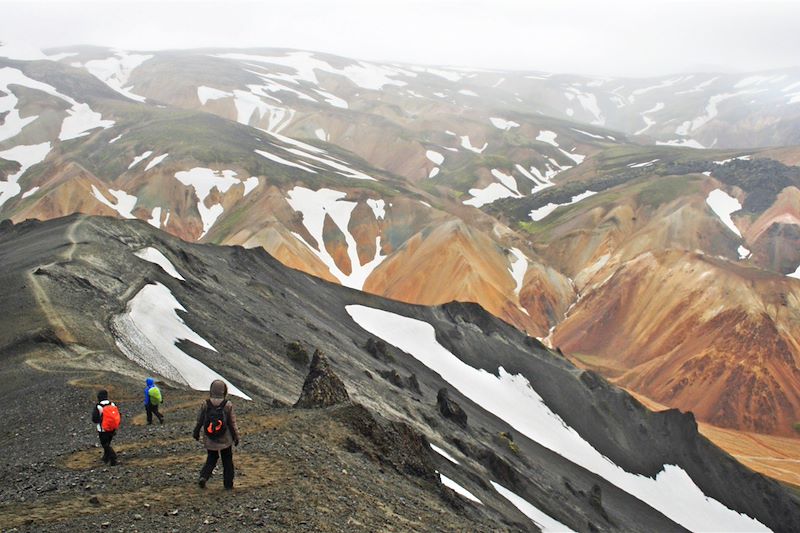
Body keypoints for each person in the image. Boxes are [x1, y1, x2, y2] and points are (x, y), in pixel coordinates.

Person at [193, 379, 240, 490]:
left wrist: (196, 431)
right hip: (225, 438)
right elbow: (232, 423)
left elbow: (200, 420)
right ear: (224, 391)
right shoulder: (227, 404)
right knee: (227, 460)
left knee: (211, 458)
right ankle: (228, 484)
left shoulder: (206, 403)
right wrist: (236, 437)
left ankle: (203, 476)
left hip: (210, 437)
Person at [91, 389, 120, 466]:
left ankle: (113, 458)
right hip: (112, 428)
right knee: (108, 443)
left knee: (105, 444)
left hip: (103, 429)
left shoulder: (98, 406)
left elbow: (94, 419)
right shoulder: (112, 404)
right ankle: (105, 457)